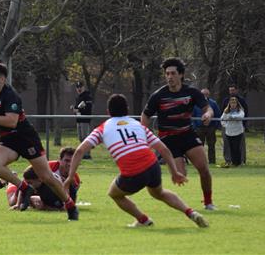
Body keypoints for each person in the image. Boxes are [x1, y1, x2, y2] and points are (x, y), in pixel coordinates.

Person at [64, 94, 208, 228]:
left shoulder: (102, 128)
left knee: (114, 194)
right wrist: (174, 172)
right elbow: (164, 150)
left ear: (108, 112)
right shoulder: (137, 124)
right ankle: (190, 212)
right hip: (152, 166)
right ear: (127, 110)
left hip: (133, 172)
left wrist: (70, 177)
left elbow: (80, 151)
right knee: (159, 193)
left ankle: (143, 220)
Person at [0, 63, 79, 220]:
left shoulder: (11, 96)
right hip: (8, 140)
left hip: (26, 138)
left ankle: (70, 205)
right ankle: (24, 187)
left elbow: (12, 121)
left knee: (47, 177)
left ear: (2, 79)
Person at [140, 58, 217, 211]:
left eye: (173, 73)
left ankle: (208, 202)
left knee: (204, 168)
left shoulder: (191, 92)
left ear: (181, 75)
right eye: (167, 73)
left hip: (187, 135)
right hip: (168, 140)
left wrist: (208, 115)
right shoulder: (158, 95)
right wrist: (145, 135)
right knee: (181, 176)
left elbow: (208, 108)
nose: (169, 77)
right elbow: (145, 115)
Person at [3, 148, 81, 211]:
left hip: (43, 192)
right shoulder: (48, 167)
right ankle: (11, 179)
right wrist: (18, 203)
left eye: (72, 161)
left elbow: (69, 195)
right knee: (12, 202)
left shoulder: (75, 179)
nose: (70, 164)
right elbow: (26, 181)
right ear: (60, 160)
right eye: (66, 160)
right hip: (33, 188)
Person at [192, 88, 221, 164]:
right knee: (199, 146)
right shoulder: (195, 104)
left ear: (209, 95)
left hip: (210, 128)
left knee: (211, 145)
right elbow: (192, 116)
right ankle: (200, 161)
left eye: (206, 94)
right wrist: (195, 127)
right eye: (203, 94)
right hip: (199, 128)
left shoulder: (213, 103)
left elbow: (218, 115)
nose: (204, 96)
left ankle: (212, 162)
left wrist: (215, 127)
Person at [221, 85, 248, 165]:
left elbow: (244, 113)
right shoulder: (225, 100)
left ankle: (241, 161)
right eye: (230, 90)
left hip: (239, 129)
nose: (231, 92)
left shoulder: (241, 101)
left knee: (239, 146)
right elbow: (223, 116)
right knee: (228, 146)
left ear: (236, 90)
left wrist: (243, 124)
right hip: (228, 129)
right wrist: (225, 125)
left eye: (233, 90)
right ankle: (228, 161)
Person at [70, 81, 93, 159]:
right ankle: (84, 153)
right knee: (80, 138)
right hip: (79, 119)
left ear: (84, 87)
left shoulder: (87, 96)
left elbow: (88, 109)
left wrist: (79, 110)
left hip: (85, 120)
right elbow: (78, 109)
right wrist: (74, 109)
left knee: (85, 137)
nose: (79, 89)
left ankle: (87, 154)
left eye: (80, 87)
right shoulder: (78, 97)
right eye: (77, 87)